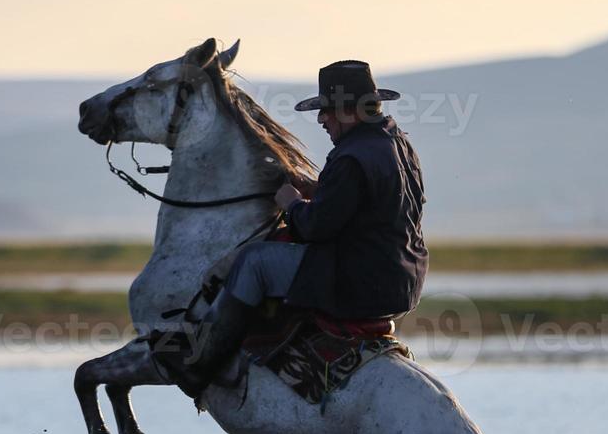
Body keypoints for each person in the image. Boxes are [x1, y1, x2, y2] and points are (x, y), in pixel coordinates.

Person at [152, 60, 429, 396]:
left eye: (327, 111)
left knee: (254, 262)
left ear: (349, 111)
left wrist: (291, 203)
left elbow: (314, 229)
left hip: (360, 281)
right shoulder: (396, 143)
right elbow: (367, 206)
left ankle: (200, 364)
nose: (321, 119)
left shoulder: (352, 156)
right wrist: (318, 190)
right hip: (402, 281)